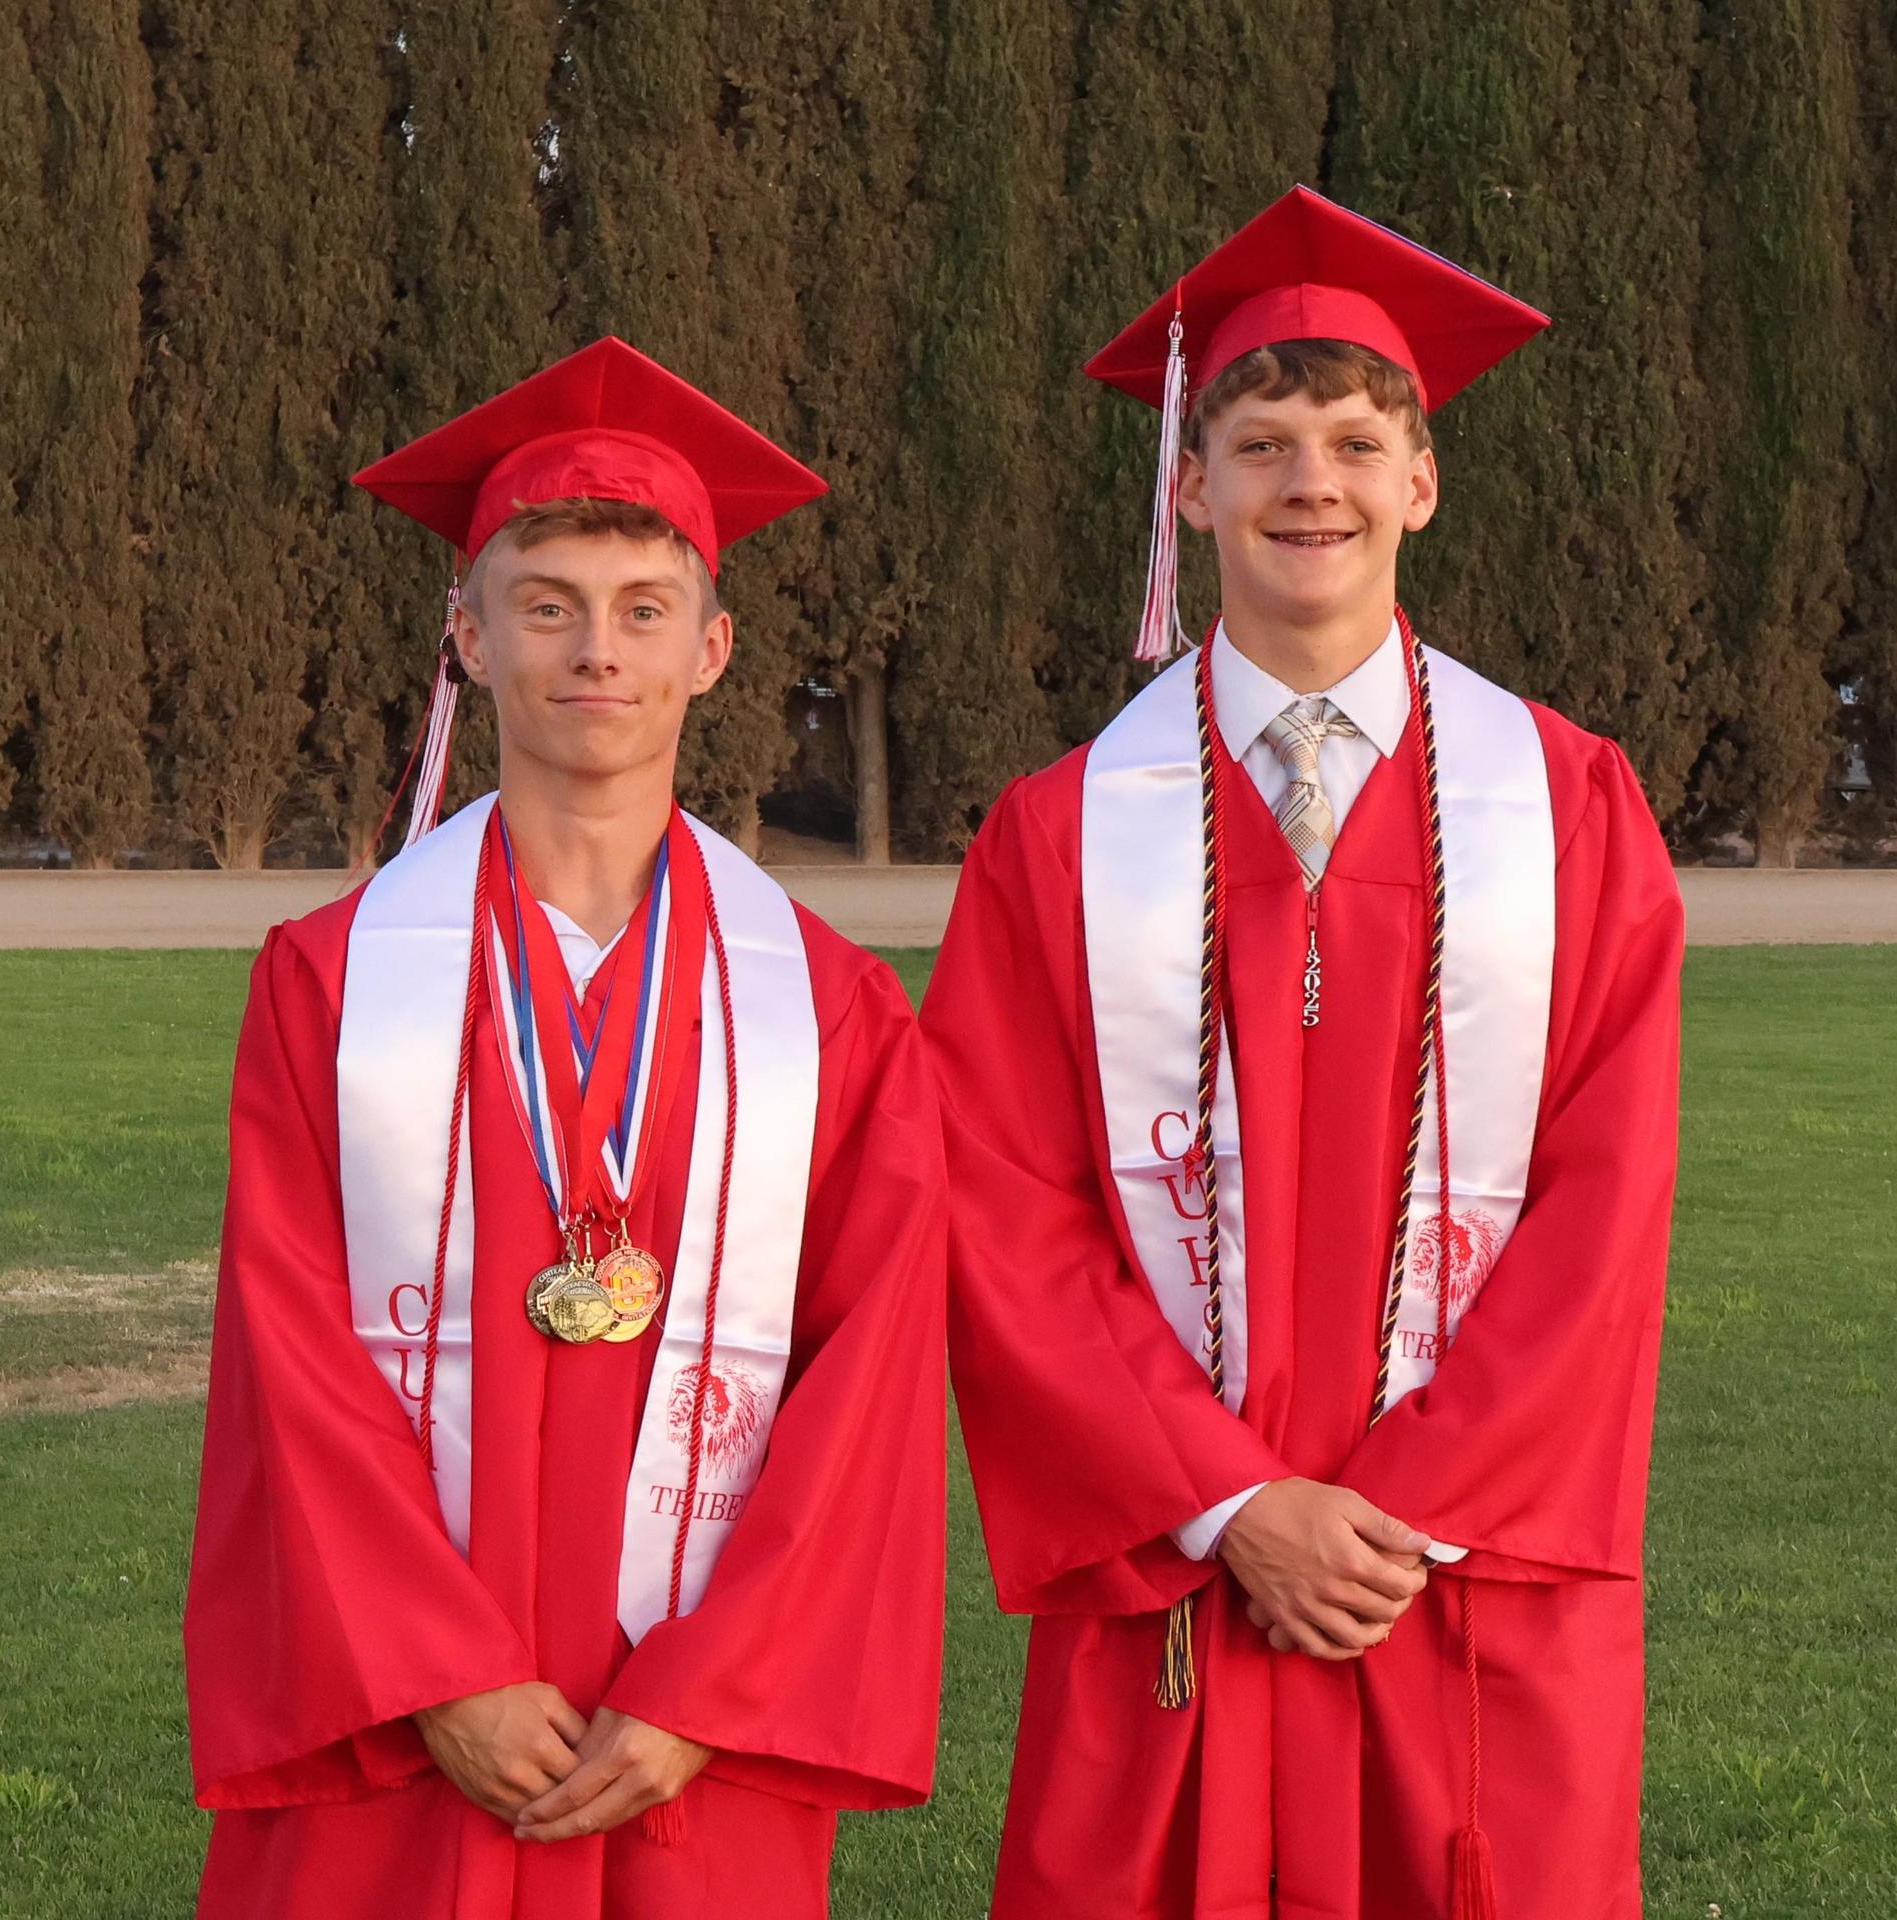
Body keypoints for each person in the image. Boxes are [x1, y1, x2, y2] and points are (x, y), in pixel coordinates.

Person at [923, 186, 1683, 1919]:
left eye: (1353, 440)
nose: (1309, 483)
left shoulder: (1569, 810)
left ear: (1421, 478)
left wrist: (1403, 1505)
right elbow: (1000, 1210)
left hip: (1469, 1588)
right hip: (1187, 1588)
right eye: (1260, 442)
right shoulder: (1058, 840)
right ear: (1189, 491)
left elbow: (1607, 1201)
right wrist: (1225, 1502)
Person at [184, 336, 948, 1920]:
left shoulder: (835, 1013)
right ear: (467, 636)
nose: (595, 652)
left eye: (641, 611)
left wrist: (709, 1691)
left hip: (688, 1743)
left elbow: (869, 1376)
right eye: (547, 605)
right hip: (404, 1731)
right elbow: (291, 1356)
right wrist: (435, 1672)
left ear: (714, 649)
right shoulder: (330, 985)